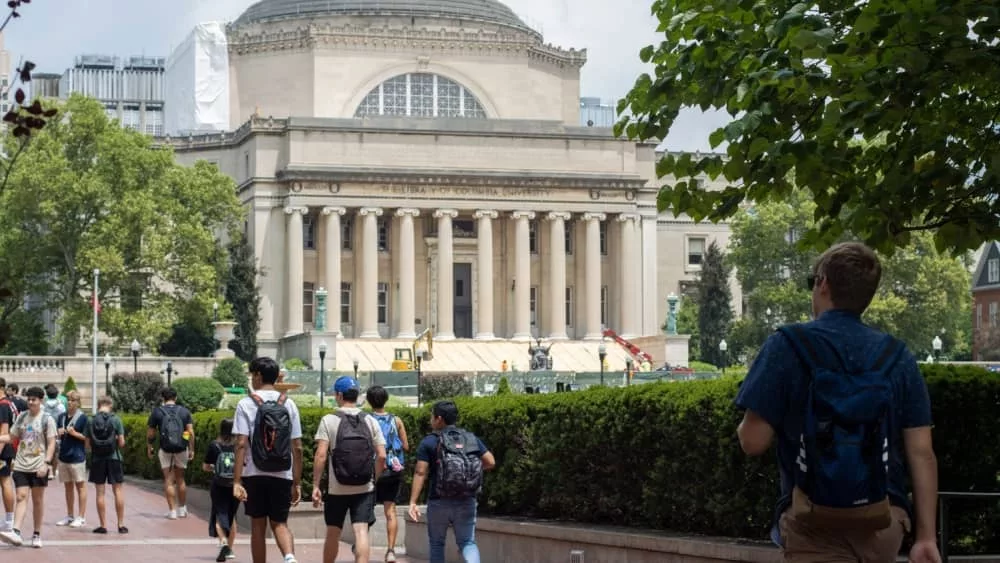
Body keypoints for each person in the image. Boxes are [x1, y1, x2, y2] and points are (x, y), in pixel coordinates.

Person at [735, 242, 941, 563]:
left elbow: (753, 441)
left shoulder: (787, 345)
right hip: (883, 519)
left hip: (813, 520)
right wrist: (926, 537)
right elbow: (921, 453)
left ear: (823, 283)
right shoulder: (896, 356)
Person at [233, 356, 303, 563]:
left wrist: (237, 481)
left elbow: (240, 444)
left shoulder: (245, 404)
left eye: (252, 375)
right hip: (283, 472)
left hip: (254, 473)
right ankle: (289, 558)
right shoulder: (289, 404)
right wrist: (297, 482)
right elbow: (297, 447)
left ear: (258, 375)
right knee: (280, 523)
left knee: (257, 526)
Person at [408, 400, 495, 563]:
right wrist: (467, 472)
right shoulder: (470, 438)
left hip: (438, 500)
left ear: (439, 419)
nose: (430, 419)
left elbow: (420, 472)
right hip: (467, 499)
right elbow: (490, 462)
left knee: (436, 544)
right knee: (467, 542)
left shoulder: (429, 442)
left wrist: (413, 501)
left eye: (432, 416)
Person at [311, 376, 387, 563]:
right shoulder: (370, 420)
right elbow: (382, 456)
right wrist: (373, 479)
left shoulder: (329, 420)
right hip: (364, 487)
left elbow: (320, 455)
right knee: (361, 531)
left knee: (333, 531)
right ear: (357, 395)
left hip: (336, 487)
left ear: (338, 395)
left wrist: (315, 486)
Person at [7, 386, 58, 548]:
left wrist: (47, 463)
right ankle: (16, 531)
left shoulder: (47, 419)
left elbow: (51, 443)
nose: (30, 402)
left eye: (33, 400)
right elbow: (11, 436)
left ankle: (36, 533)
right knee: (21, 496)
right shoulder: (22, 417)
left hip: (38, 465)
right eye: (28, 399)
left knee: (37, 500)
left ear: (40, 400)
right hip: (21, 463)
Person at [367, 384, 409, 562]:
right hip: (393, 470)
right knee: (390, 511)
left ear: (369, 401)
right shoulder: (396, 420)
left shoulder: (366, 419)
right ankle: (391, 551)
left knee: (364, 509)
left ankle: (360, 545)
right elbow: (406, 446)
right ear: (386, 399)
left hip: (371, 469)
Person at [146, 387, 195, 519]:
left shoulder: (157, 412)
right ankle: (182, 509)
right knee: (180, 479)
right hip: (181, 448)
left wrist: (149, 446)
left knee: (168, 480)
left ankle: (172, 511)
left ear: (163, 398)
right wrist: (191, 448)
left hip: (165, 448)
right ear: (176, 398)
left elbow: (151, 433)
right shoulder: (184, 411)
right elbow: (190, 433)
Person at [87, 395, 128, 534]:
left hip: (98, 459)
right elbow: (122, 443)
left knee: (100, 493)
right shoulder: (116, 419)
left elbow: (87, 445)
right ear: (110, 405)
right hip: (114, 458)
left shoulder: (91, 420)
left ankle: (103, 525)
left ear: (98, 405)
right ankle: (121, 524)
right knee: (118, 491)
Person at [203, 417, 239, 562]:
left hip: (218, 485)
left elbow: (205, 466)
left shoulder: (214, 445)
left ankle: (223, 541)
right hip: (235, 485)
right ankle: (229, 549)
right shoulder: (239, 445)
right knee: (232, 516)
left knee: (220, 514)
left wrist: (214, 468)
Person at [55, 390, 88, 528]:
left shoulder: (83, 418)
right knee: (68, 487)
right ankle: (69, 515)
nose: (70, 402)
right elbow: (57, 434)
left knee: (80, 486)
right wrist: (59, 432)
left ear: (78, 402)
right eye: (68, 399)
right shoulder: (61, 417)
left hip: (77, 456)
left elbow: (87, 438)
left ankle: (81, 516)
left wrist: (75, 433)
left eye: (73, 400)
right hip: (64, 456)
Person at [0, 377, 18, 544]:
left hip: (2, 449)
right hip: (7, 449)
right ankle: (8, 519)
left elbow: (3, 431)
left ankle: (9, 520)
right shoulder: (9, 403)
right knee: (5, 482)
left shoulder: (3, 405)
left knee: (5, 482)